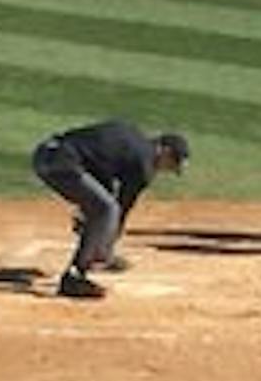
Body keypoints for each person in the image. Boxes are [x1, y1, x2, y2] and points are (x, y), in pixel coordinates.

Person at [28, 123, 188, 300]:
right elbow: (121, 209)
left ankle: (98, 253)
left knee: (100, 207)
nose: (166, 170)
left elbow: (96, 160)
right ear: (164, 150)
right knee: (106, 209)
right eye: (172, 162)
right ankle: (75, 276)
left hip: (45, 154)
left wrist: (92, 222)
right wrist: (103, 238)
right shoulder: (143, 165)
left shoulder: (133, 137)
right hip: (62, 164)